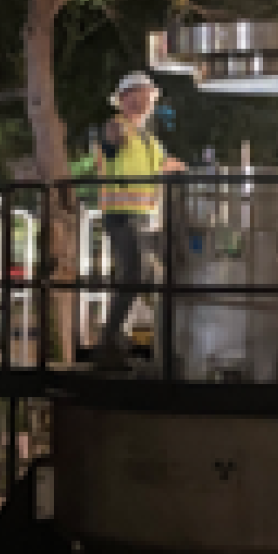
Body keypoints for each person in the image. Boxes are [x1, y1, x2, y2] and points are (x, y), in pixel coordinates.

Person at [95, 72, 184, 367]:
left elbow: (165, 166)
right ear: (122, 99)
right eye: (135, 93)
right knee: (133, 277)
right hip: (122, 215)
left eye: (147, 93)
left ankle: (120, 341)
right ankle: (109, 343)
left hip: (143, 216)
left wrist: (183, 168)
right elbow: (110, 141)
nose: (143, 98)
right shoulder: (117, 127)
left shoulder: (151, 141)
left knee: (146, 277)